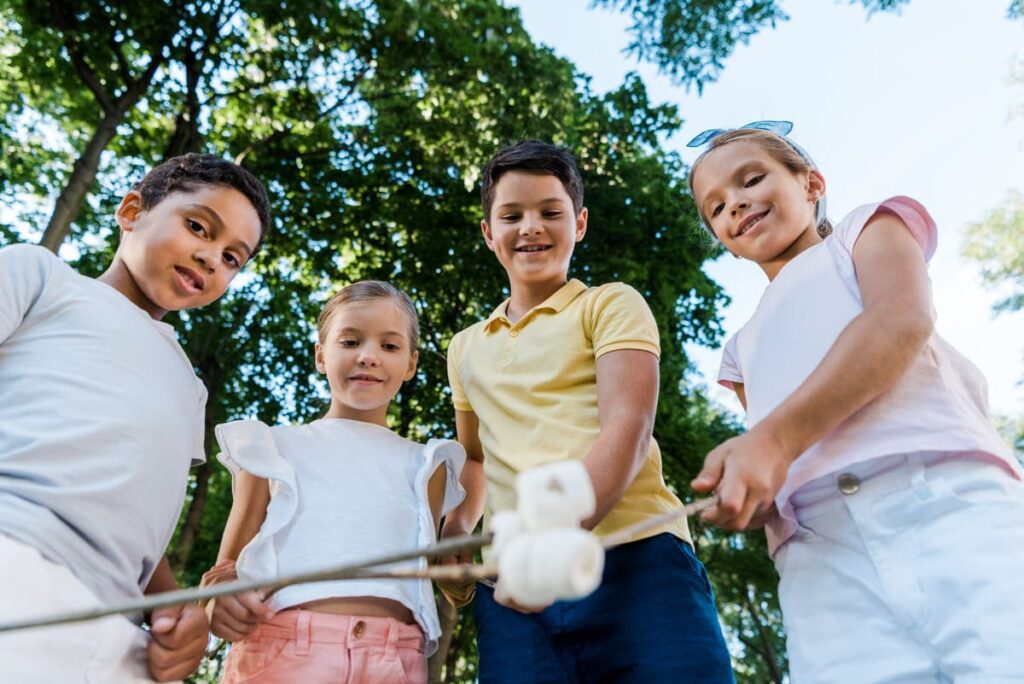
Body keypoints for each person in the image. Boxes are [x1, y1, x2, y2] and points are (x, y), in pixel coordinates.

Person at [688, 121, 1024, 682]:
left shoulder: (863, 230)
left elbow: (899, 321)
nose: (736, 205)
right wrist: (749, 491)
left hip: (942, 496)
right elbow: (775, 457)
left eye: (751, 180)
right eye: (716, 208)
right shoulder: (740, 346)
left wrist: (769, 442)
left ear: (811, 184)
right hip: (819, 557)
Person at [439, 140, 734, 683]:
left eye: (550, 212)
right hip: (514, 590)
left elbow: (629, 424)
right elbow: (476, 460)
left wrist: (555, 537)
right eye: (511, 215)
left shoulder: (610, 303)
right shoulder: (463, 347)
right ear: (488, 232)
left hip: (637, 560)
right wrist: (457, 524)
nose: (531, 226)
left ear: (579, 223)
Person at [0, 153, 271, 682]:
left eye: (233, 258)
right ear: (131, 211)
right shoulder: (44, 278)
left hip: (116, 634)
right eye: (198, 226)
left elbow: (143, 530)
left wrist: (179, 611)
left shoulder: (189, 388)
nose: (212, 257)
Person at [203, 281, 465, 684]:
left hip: (395, 660)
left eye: (389, 347)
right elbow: (226, 571)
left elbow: (420, 573)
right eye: (350, 341)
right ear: (321, 356)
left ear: (411, 365)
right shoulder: (270, 447)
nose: (368, 357)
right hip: (284, 653)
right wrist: (215, 602)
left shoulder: (428, 464)